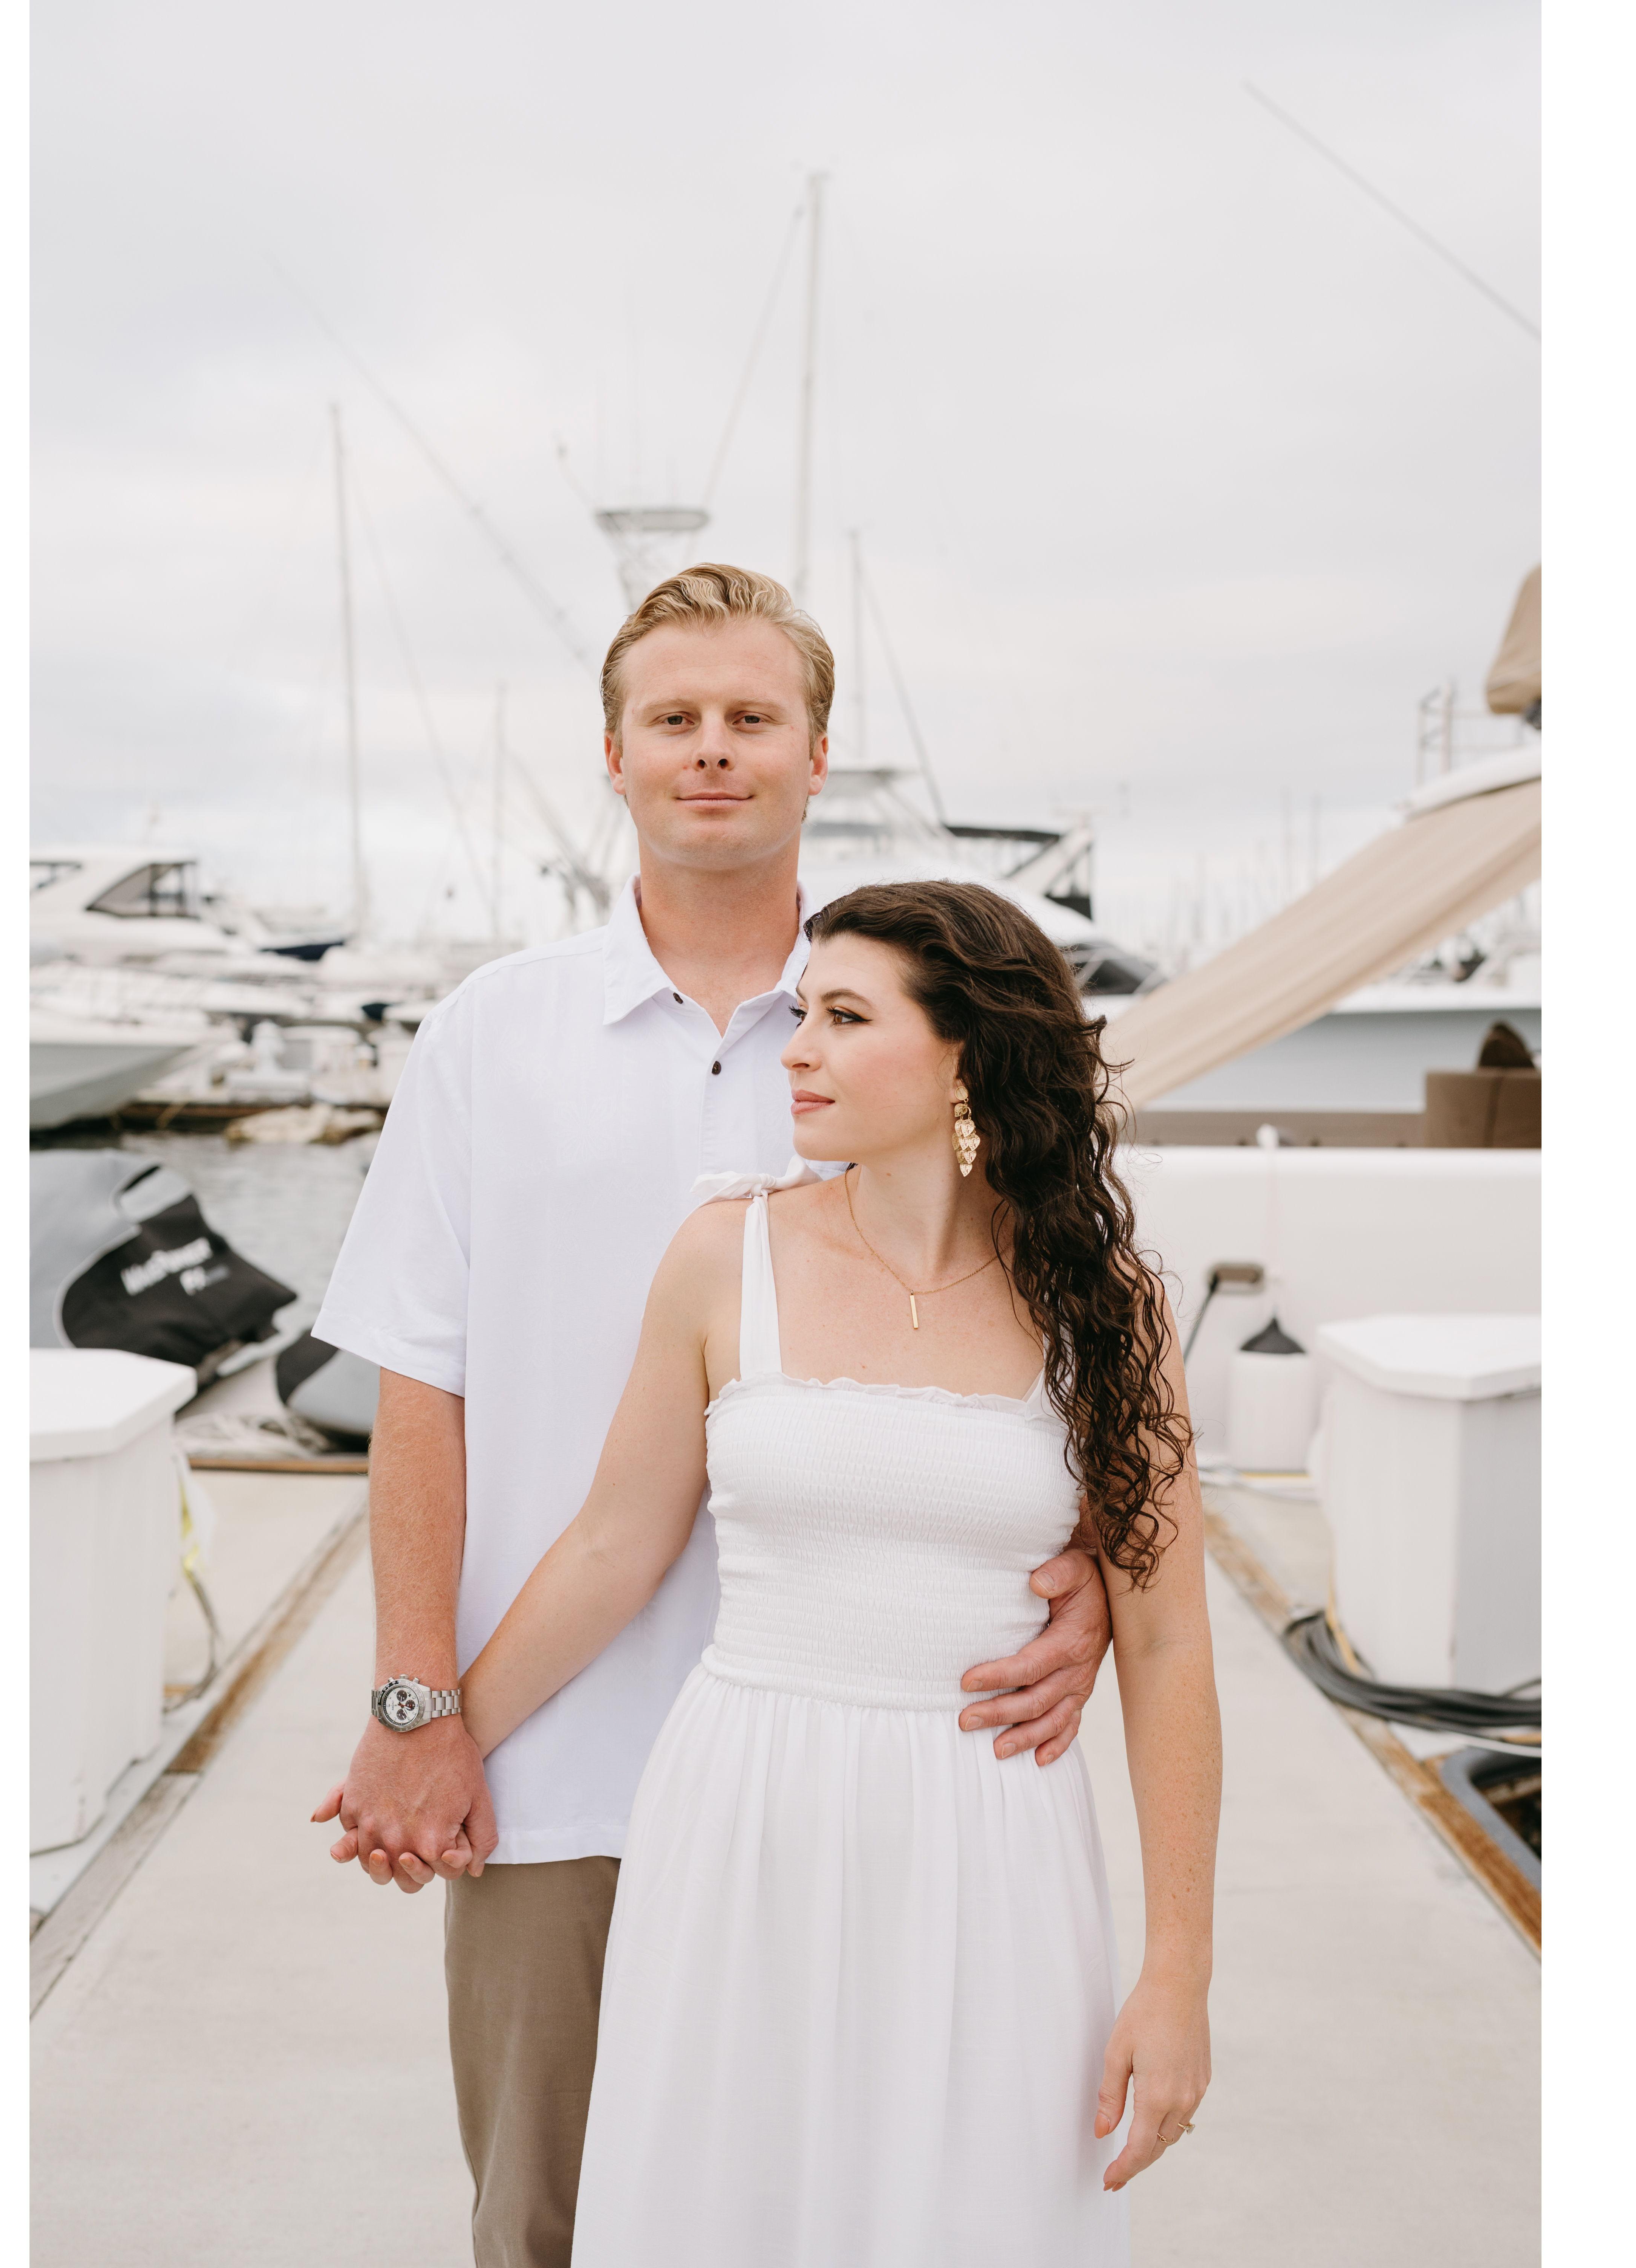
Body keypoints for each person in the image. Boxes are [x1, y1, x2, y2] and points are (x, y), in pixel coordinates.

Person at [309, 565, 1114, 2266]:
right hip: (557, 1757)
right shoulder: (492, 1034)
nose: (713, 749)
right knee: (543, 2225)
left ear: (820, 753)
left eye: (754, 716)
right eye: (673, 718)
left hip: (873, 1769)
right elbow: (420, 1389)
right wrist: (418, 1704)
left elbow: (1077, 1328)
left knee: (852, 2222)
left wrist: (1104, 1579)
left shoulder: (910, 1024)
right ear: (613, 753)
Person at [462, 879, 1222, 2262]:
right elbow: (613, 1546)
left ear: (968, 1057)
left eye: (845, 1019)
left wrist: (1178, 1975)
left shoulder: (1108, 1308)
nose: (795, 1051)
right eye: (802, 1014)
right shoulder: (724, 1255)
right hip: (743, 1819)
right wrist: (439, 1736)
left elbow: (1168, 1645)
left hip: (992, 1841)